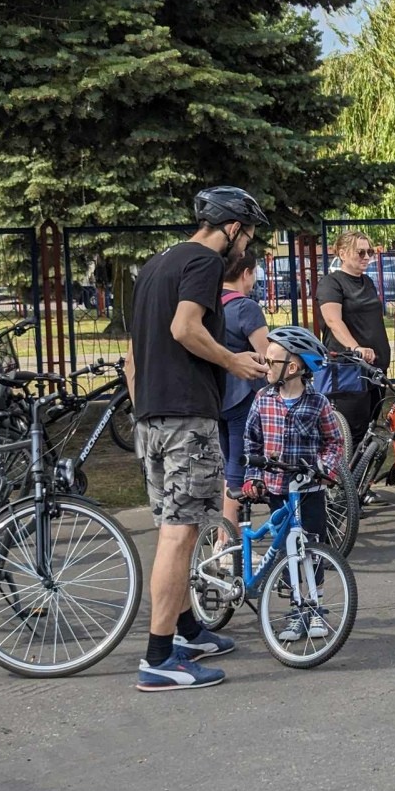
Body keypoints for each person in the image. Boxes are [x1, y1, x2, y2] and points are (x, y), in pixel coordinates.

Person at [124, 185, 269, 693]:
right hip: (187, 416)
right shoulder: (205, 263)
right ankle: (159, 657)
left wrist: (145, 407)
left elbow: (133, 357)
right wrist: (235, 362)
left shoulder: (155, 266)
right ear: (231, 228)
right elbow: (186, 328)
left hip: (152, 417)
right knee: (179, 533)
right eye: (246, 236)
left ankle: (186, 631)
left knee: (173, 528)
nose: (245, 247)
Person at [242, 327, 345, 640]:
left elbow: (334, 442)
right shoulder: (262, 400)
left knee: (311, 548)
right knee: (285, 553)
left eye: (271, 361)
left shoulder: (318, 403)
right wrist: (253, 478)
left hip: (309, 490)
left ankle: (315, 608)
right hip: (276, 489)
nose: (265, 366)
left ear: (292, 368)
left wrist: (324, 468)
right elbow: (251, 442)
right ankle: (295, 613)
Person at [317, 230, 391, 455]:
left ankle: (359, 485)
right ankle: (343, 485)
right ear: (342, 253)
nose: (367, 256)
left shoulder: (367, 281)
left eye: (370, 252)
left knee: (369, 427)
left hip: (376, 365)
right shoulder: (332, 282)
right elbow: (332, 320)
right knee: (351, 431)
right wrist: (356, 348)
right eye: (360, 252)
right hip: (349, 367)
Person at [219, 250, 270, 527]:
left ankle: (225, 529)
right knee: (238, 466)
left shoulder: (211, 304)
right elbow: (266, 354)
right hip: (243, 393)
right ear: (246, 273)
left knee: (228, 463)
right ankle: (227, 537)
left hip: (216, 394)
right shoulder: (245, 307)